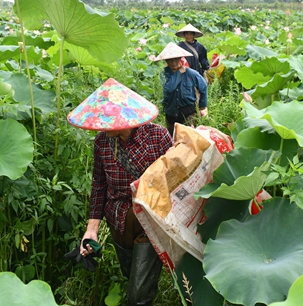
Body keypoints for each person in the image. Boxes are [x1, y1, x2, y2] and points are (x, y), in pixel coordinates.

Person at [67, 78, 172, 306]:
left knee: (137, 296)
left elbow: (174, 180)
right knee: (130, 276)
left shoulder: (158, 136)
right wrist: (91, 230)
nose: (102, 126)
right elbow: (99, 185)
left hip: (149, 219)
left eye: (107, 121)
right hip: (118, 219)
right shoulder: (102, 143)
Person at [155, 42, 208, 137]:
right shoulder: (163, 74)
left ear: (180, 58)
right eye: (170, 60)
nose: (174, 62)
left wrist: (202, 105)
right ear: (166, 61)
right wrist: (178, 73)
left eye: (176, 59)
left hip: (188, 112)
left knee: (187, 138)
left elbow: (203, 87)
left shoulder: (191, 73)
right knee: (173, 139)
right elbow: (168, 89)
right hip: (171, 112)